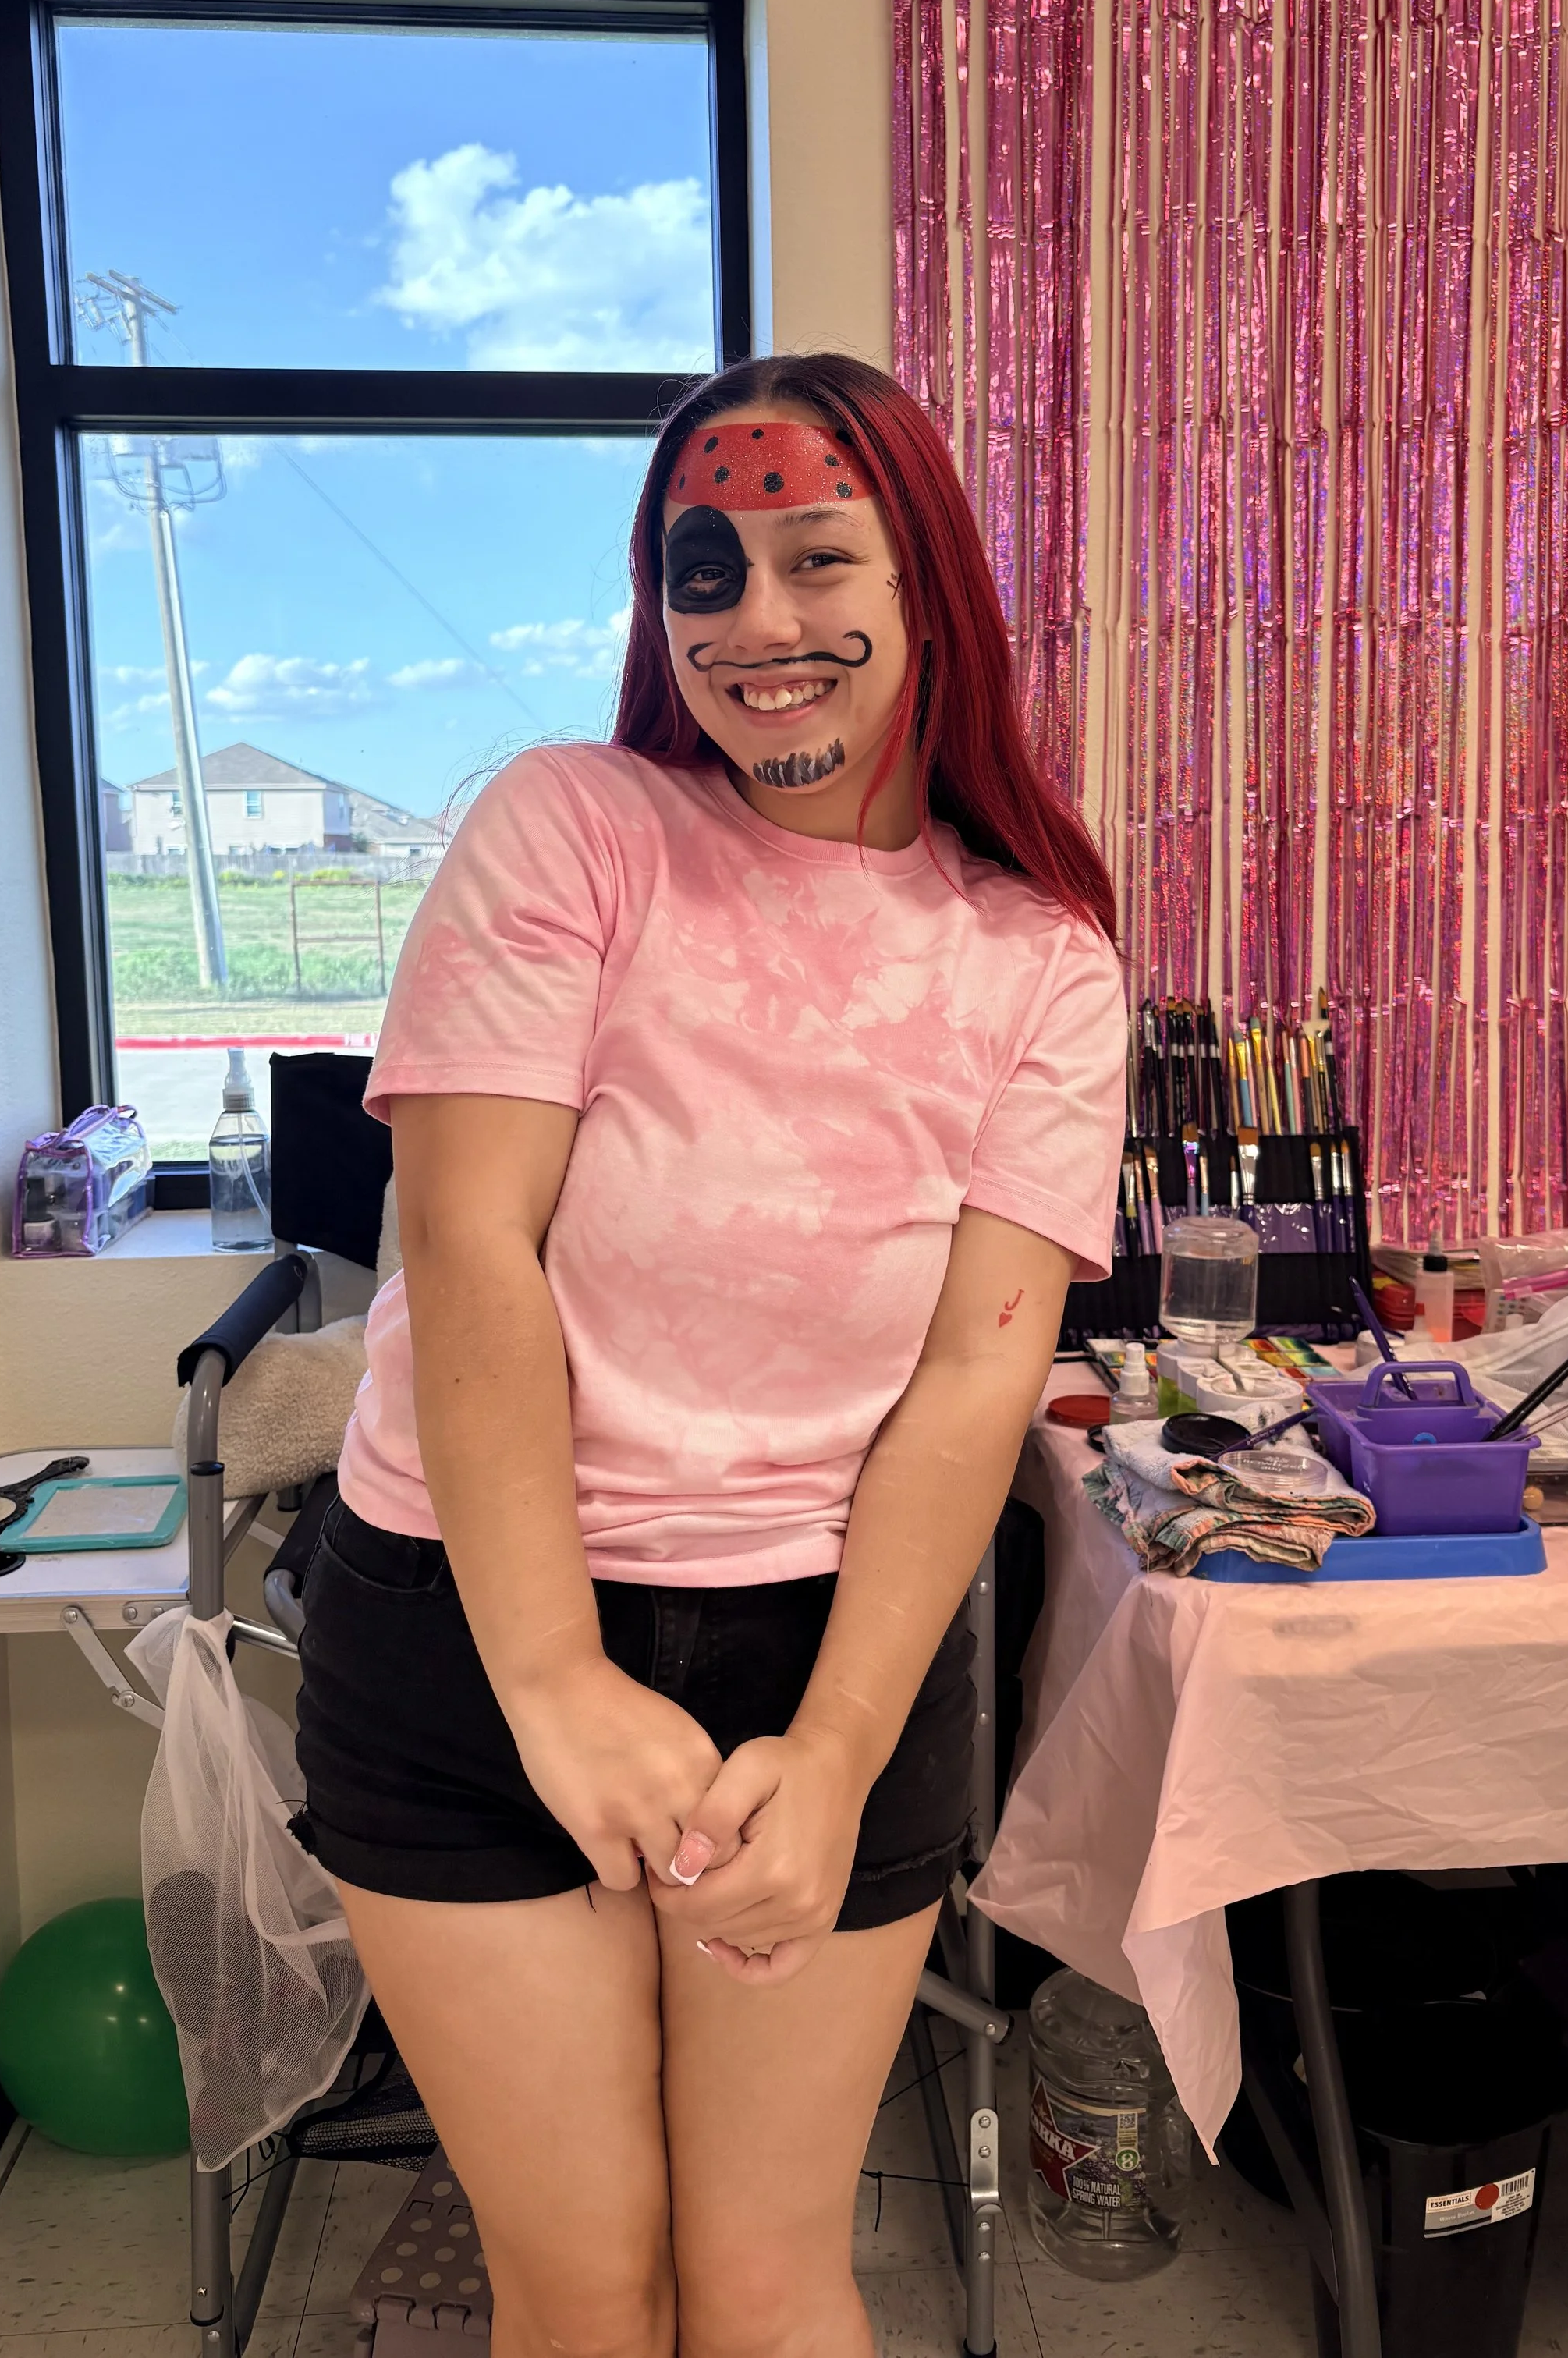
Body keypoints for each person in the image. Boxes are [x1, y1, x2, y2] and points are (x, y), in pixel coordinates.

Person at [294, 353, 1126, 2358]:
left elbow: (967, 1386)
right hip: (469, 1620)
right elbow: (473, 1247)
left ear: (923, 585)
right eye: (701, 571)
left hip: (827, 1643)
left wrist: (837, 1755)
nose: (754, 624)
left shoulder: (1042, 960)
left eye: (815, 558)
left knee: (765, 2285)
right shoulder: (569, 825)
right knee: (583, 2289)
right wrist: (554, 1675)